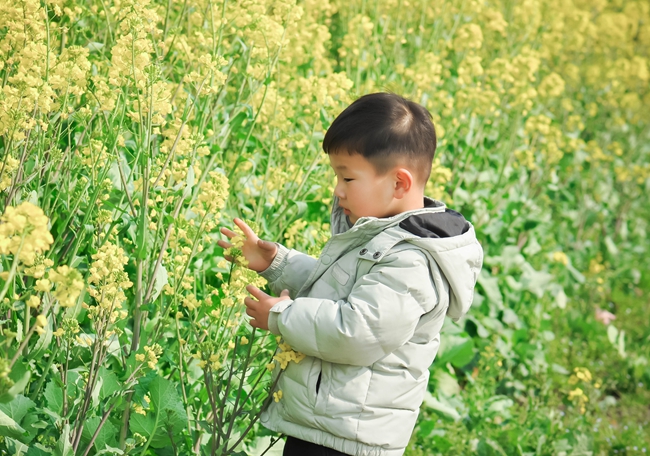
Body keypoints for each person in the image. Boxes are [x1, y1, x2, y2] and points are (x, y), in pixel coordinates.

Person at [217, 92, 483, 456]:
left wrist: (281, 317)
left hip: (353, 438)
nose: (337, 190)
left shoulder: (412, 260)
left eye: (348, 178)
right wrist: (276, 263)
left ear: (399, 184)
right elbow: (340, 291)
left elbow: (357, 331)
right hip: (329, 425)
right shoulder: (381, 232)